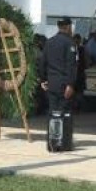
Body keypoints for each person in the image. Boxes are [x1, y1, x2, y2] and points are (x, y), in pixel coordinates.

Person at [41, 18, 79, 148]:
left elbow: (43, 63)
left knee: (53, 112)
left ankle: (52, 142)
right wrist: (70, 84)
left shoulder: (49, 42)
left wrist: (43, 80)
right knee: (65, 113)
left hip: (52, 83)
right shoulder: (70, 43)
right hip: (64, 83)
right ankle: (64, 142)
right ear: (68, 27)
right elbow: (71, 65)